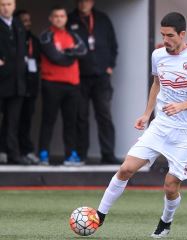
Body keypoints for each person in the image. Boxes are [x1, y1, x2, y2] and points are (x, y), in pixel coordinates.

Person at [95, 12, 187, 238]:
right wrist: (147, 114)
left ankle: (165, 222)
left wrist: (182, 106)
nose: (165, 40)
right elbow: (157, 84)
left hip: (186, 131)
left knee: (170, 186)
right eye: (162, 35)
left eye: (170, 36)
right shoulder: (158, 55)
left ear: (182, 34)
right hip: (160, 125)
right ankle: (99, 215)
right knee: (126, 168)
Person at [67, 0, 119, 164]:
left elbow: (113, 45)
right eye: (81, 1)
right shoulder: (69, 19)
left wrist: (110, 66)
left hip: (101, 76)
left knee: (104, 115)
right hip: (79, 77)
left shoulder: (103, 19)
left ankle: (108, 154)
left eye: (87, 1)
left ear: (92, 2)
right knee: (80, 116)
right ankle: (81, 155)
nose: (84, 4)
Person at [38, 5, 87, 165]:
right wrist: (70, 54)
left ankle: (70, 155)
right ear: (51, 18)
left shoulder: (73, 35)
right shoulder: (46, 35)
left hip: (72, 84)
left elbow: (83, 51)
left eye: (62, 16)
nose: (59, 19)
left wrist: (66, 53)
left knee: (70, 121)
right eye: (56, 16)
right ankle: (43, 153)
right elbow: (54, 57)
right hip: (51, 83)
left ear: (66, 19)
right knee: (48, 120)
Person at [8, 9, 41, 165]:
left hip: (30, 86)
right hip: (13, 86)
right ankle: (7, 150)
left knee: (25, 120)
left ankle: (25, 150)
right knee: (12, 120)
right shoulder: (13, 38)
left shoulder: (34, 40)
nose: (26, 23)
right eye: (23, 20)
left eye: (28, 20)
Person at [0, 0, 27, 164]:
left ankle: (12, 153)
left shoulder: (18, 25)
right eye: (2, 4)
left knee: (13, 121)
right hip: (1, 80)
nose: (5, 7)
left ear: (14, 6)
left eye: (9, 4)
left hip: (17, 83)